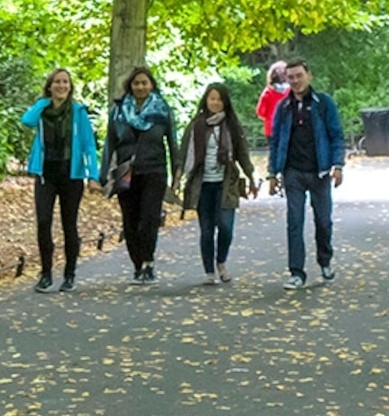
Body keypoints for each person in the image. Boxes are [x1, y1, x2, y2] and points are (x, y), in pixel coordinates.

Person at [266, 58, 348, 287]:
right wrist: (272, 173)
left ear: (308, 75)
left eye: (299, 76)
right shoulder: (283, 108)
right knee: (294, 221)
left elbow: (336, 135)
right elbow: (275, 142)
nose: (295, 81)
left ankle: (325, 260)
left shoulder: (323, 103)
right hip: (293, 173)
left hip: (319, 172)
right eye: (290, 77)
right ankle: (296, 272)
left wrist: (337, 165)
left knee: (323, 221)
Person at [17, 68, 99, 293]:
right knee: (43, 223)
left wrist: (93, 175)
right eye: (57, 82)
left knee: (68, 224)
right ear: (50, 86)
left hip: (71, 174)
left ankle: (70, 274)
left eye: (65, 82)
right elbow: (27, 121)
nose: (62, 86)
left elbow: (89, 144)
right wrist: (43, 103)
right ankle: (45, 274)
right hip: (45, 174)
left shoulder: (78, 112)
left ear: (70, 86)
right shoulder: (42, 111)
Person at [179, 81, 258, 285]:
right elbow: (183, 152)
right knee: (206, 230)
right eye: (211, 98)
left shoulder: (232, 125)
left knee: (225, 227)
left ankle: (221, 262)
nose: (215, 102)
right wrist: (177, 178)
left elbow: (242, 153)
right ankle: (209, 272)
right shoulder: (196, 125)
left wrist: (250, 177)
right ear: (206, 100)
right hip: (202, 183)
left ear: (225, 102)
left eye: (219, 99)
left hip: (226, 183)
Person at [106, 65, 175, 284]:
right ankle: (137, 264)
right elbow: (110, 143)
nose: (140, 87)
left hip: (154, 170)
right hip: (126, 173)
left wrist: (177, 172)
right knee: (130, 221)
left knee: (149, 219)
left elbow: (172, 142)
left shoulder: (162, 110)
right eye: (136, 83)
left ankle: (148, 263)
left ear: (151, 85)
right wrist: (102, 173)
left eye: (145, 83)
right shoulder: (118, 111)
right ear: (130, 86)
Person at [254, 61, 291, 150]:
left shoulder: (267, 92)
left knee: (274, 153)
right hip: (289, 128)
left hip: (271, 129)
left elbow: (260, 112)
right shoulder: (292, 92)